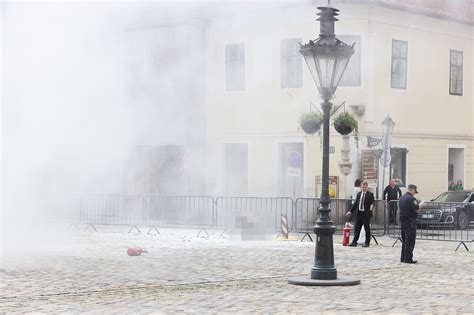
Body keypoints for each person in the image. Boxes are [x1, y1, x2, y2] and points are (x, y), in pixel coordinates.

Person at [347, 181, 375, 247]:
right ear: (361, 187)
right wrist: (350, 211)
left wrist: (371, 206)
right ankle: (354, 242)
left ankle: (367, 242)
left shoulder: (370, 194)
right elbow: (356, 203)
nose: (364, 188)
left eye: (365, 187)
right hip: (359, 213)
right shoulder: (359, 194)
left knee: (367, 229)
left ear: (367, 187)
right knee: (357, 228)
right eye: (363, 187)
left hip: (366, 214)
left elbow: (373, 202)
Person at [399, 184, 421, 264]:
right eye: (414, 192)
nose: (414, 193)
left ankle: (403, 257)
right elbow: (417, 210)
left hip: (403, 221)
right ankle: (408, 258)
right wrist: (421, 206)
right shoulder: (412, 199)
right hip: (410, 222)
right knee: (410, 240)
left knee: (404, 240)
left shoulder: (401, 198)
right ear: (412, 190)